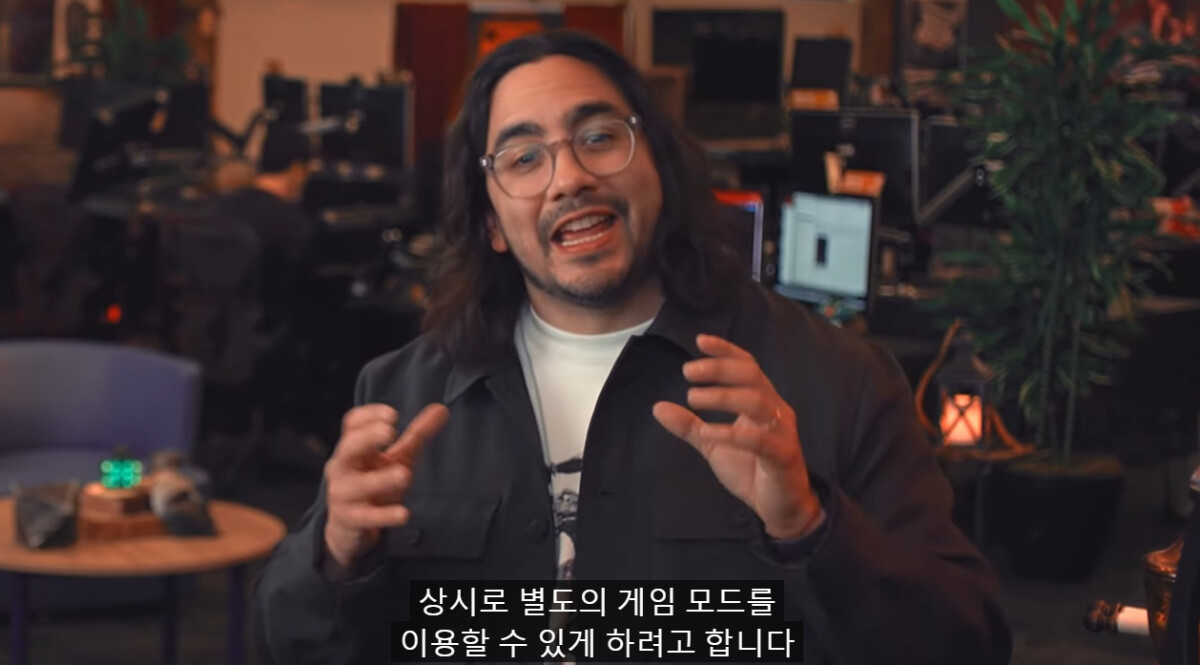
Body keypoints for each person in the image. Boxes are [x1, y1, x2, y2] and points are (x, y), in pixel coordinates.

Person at [253, 30, 1012, 665]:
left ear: (660, 167)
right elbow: (287, 642)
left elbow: (966, 644)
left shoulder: (834, 380)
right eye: (524, 158)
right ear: (490, 222)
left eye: (598, 137)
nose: (569, 179)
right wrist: (335, 555)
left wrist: (811, 530)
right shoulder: (401, 395)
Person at [213, 124, 315, 331]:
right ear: (297, 169)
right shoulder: (293, 224)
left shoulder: (220, 207)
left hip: (212, 329)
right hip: (265, 333)